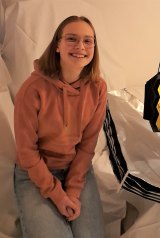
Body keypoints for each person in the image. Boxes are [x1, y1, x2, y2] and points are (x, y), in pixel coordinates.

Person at [13, 16, 107, 238]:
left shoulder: (98, 88)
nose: (80, 47)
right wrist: (57, 195)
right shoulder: (32, 89)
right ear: (57, 45)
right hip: (35, 173)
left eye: (88, 41)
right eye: (72, 39)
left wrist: (72, 192)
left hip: (77, 169)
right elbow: (27, 153)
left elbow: (86, 147)